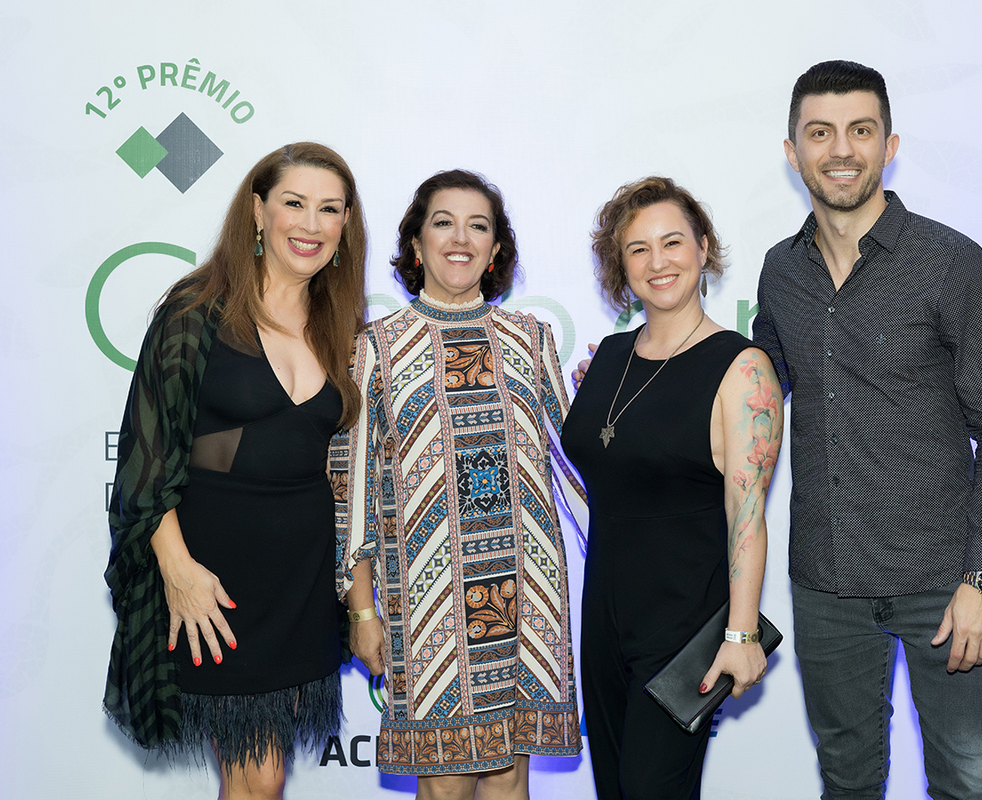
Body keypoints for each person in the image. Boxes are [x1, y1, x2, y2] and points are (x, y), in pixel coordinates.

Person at [753, 61, 982, 799]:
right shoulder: (780, 273)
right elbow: (754, 393)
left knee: (968, 784)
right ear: (793, 152)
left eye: (860, 130)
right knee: (846, 783)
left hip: (944, 583)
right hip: (826, 584)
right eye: (820, 132)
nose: (841, 149)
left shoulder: (951, 263)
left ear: (889, 145)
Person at [104, 142, 367, 799]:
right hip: (217, 581)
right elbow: (150, 456)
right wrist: (179, 571)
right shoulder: (197, 312)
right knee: (257, 780)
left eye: (329, 209)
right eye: (294, 204)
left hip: (302, 582)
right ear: (257, 211)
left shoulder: (340, 325)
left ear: (345, 225)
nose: (311, 224)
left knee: (261, 780)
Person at [334, 169, 581, 799]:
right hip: (428, 605)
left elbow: (579, 466)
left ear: (496, 249)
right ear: (416, 244)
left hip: (527, 594)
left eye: (479, 226)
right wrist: (362, 611)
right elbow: (352, 491)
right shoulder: (376, 348)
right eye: (443, 223)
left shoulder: (531, 339)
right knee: (444, 783)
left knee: (509, 779)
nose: (461, 238)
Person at [562, 176, 784, 800]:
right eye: (638, 248)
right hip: (604, 620)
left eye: (672, 242)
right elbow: (604, 481)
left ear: (703, 247)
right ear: (620, 264)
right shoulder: (608, 359)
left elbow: (747, 513)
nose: (657, 262)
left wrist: (740, 634)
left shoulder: (742, 368)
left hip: (684, 624)